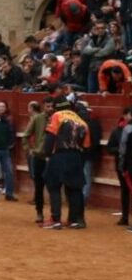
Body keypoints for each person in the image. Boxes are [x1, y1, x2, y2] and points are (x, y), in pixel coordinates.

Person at [42, 96, 91, 230]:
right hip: (76, 156)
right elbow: (86, 147)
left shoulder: (57, 116)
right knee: (75, 188)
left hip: (59, 155)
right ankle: (74, 220)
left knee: (54, 186)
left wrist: (47, 154)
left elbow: (50, 138)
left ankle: (56, 220)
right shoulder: (82, 121)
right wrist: (80, 162)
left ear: (57, 107)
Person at [23, 96, 53, 223]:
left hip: (52, 157)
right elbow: (25, 136)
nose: (50, 109)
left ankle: (54, 214)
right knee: (39, 185)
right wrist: (29, 150)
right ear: (44, 106)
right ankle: (39, 212)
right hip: (39, 156)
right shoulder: (37, 118)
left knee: (53, 186)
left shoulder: (57, 118)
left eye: (52, 106)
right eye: (48, 106)